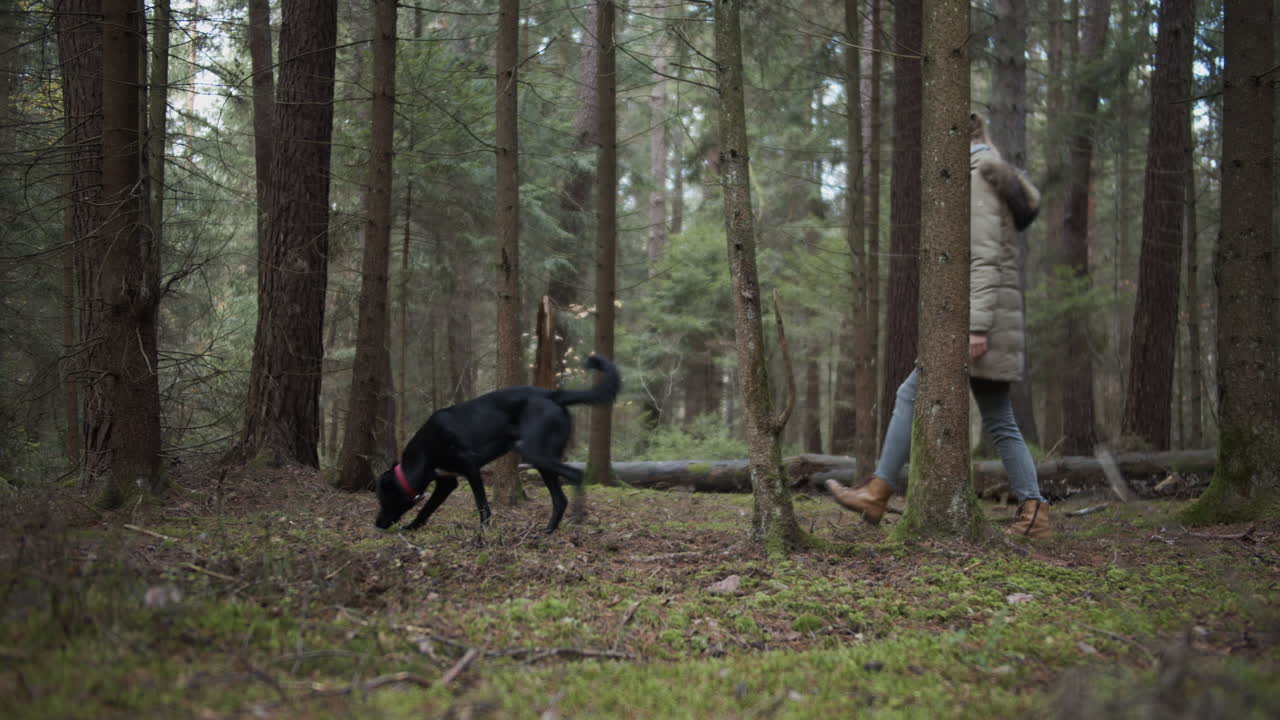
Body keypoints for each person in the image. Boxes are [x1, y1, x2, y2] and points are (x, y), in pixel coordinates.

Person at [827, 113, 1051, 538]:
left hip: (984, 322)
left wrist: (977, 328)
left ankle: (878, 492)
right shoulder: (986, 172)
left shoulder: (978, 176)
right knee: (998, 419)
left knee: (914, 394)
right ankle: (1035, 514)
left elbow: (985, 258)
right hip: (991, 317)